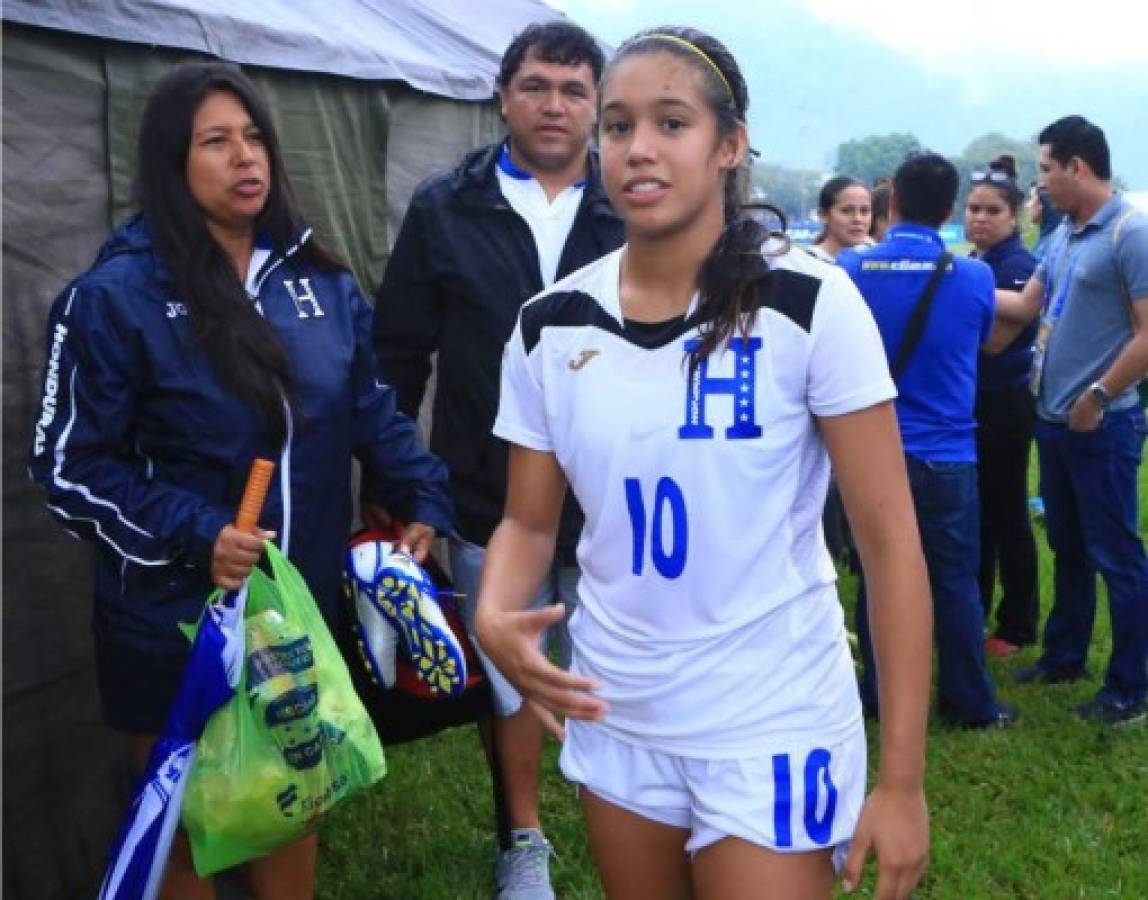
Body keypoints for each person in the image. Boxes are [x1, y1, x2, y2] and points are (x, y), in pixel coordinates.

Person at [476, 26, 931, 900]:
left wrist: (902, 782)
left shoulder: (809, 302)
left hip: (770, 716)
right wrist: (496, 610)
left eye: (670, 123)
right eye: (617, 126)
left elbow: (889, 546)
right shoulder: (548, 324)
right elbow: (529, 522)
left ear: (728, 146)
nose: (638, 149)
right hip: (617, 711)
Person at [26, 62, 453, 899]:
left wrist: (421, 495)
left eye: (254, 137)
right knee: (199, 825)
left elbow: (368, 407)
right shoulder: (115, 299)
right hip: (177, 619)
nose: (244, 157)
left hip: (299, 612)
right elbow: (69, 467)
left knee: (294, 803)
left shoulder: (318, 283)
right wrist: (195, 531)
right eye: (216, 141)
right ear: (169, 163)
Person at [372, 20, 623, 899]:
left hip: (618, 496)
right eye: (537, 86)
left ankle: (641, 809)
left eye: (574, 90)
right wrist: (398, 486)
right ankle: (523, 837)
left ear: (598, 106)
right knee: (512, 675)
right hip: (486, 488)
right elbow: (397, 355)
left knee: (626, 659)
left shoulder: (631, 202)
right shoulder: (447, 206)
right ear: (502, 96)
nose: (555, 105)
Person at [839, 151, 1016, 729]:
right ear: (948, 211)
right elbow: (985, 339)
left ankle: (878, 693)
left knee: (874, 578)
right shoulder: (975, 276)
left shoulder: (851, 272)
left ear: (891, 205)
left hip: (874, 454)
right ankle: (969, 702)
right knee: (955, 583)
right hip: (947, 456)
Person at [994, 115, 1148, 725]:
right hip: (1054, 423)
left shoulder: (1130, 234)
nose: (1041, 185)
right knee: (1068, 546)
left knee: (1117, 553)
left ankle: (1131, 686)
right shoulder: (1062, 237)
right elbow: (1028, 304)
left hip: (1102, 424)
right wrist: (950, 277)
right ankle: (1065, 656)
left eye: (1046, 170)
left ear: (1077, 167)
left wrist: (1100, 397)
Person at [964, 154, 1040, 657]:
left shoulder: (1018, 267)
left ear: (1013, 217)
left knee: (1007, 514)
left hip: (1006, 405)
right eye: (973, 208)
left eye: (992, 210)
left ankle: (1016, 624)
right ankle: (976, 610)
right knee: (979, 516)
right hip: (974, 404)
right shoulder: (977, 263)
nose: (980, 218)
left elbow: (992, 342)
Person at [808, 175, 872, 262]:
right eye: (846, 211)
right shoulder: (807, 264)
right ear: (823, 215)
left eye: (864, 211)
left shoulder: (874, 261)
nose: (858, 219)